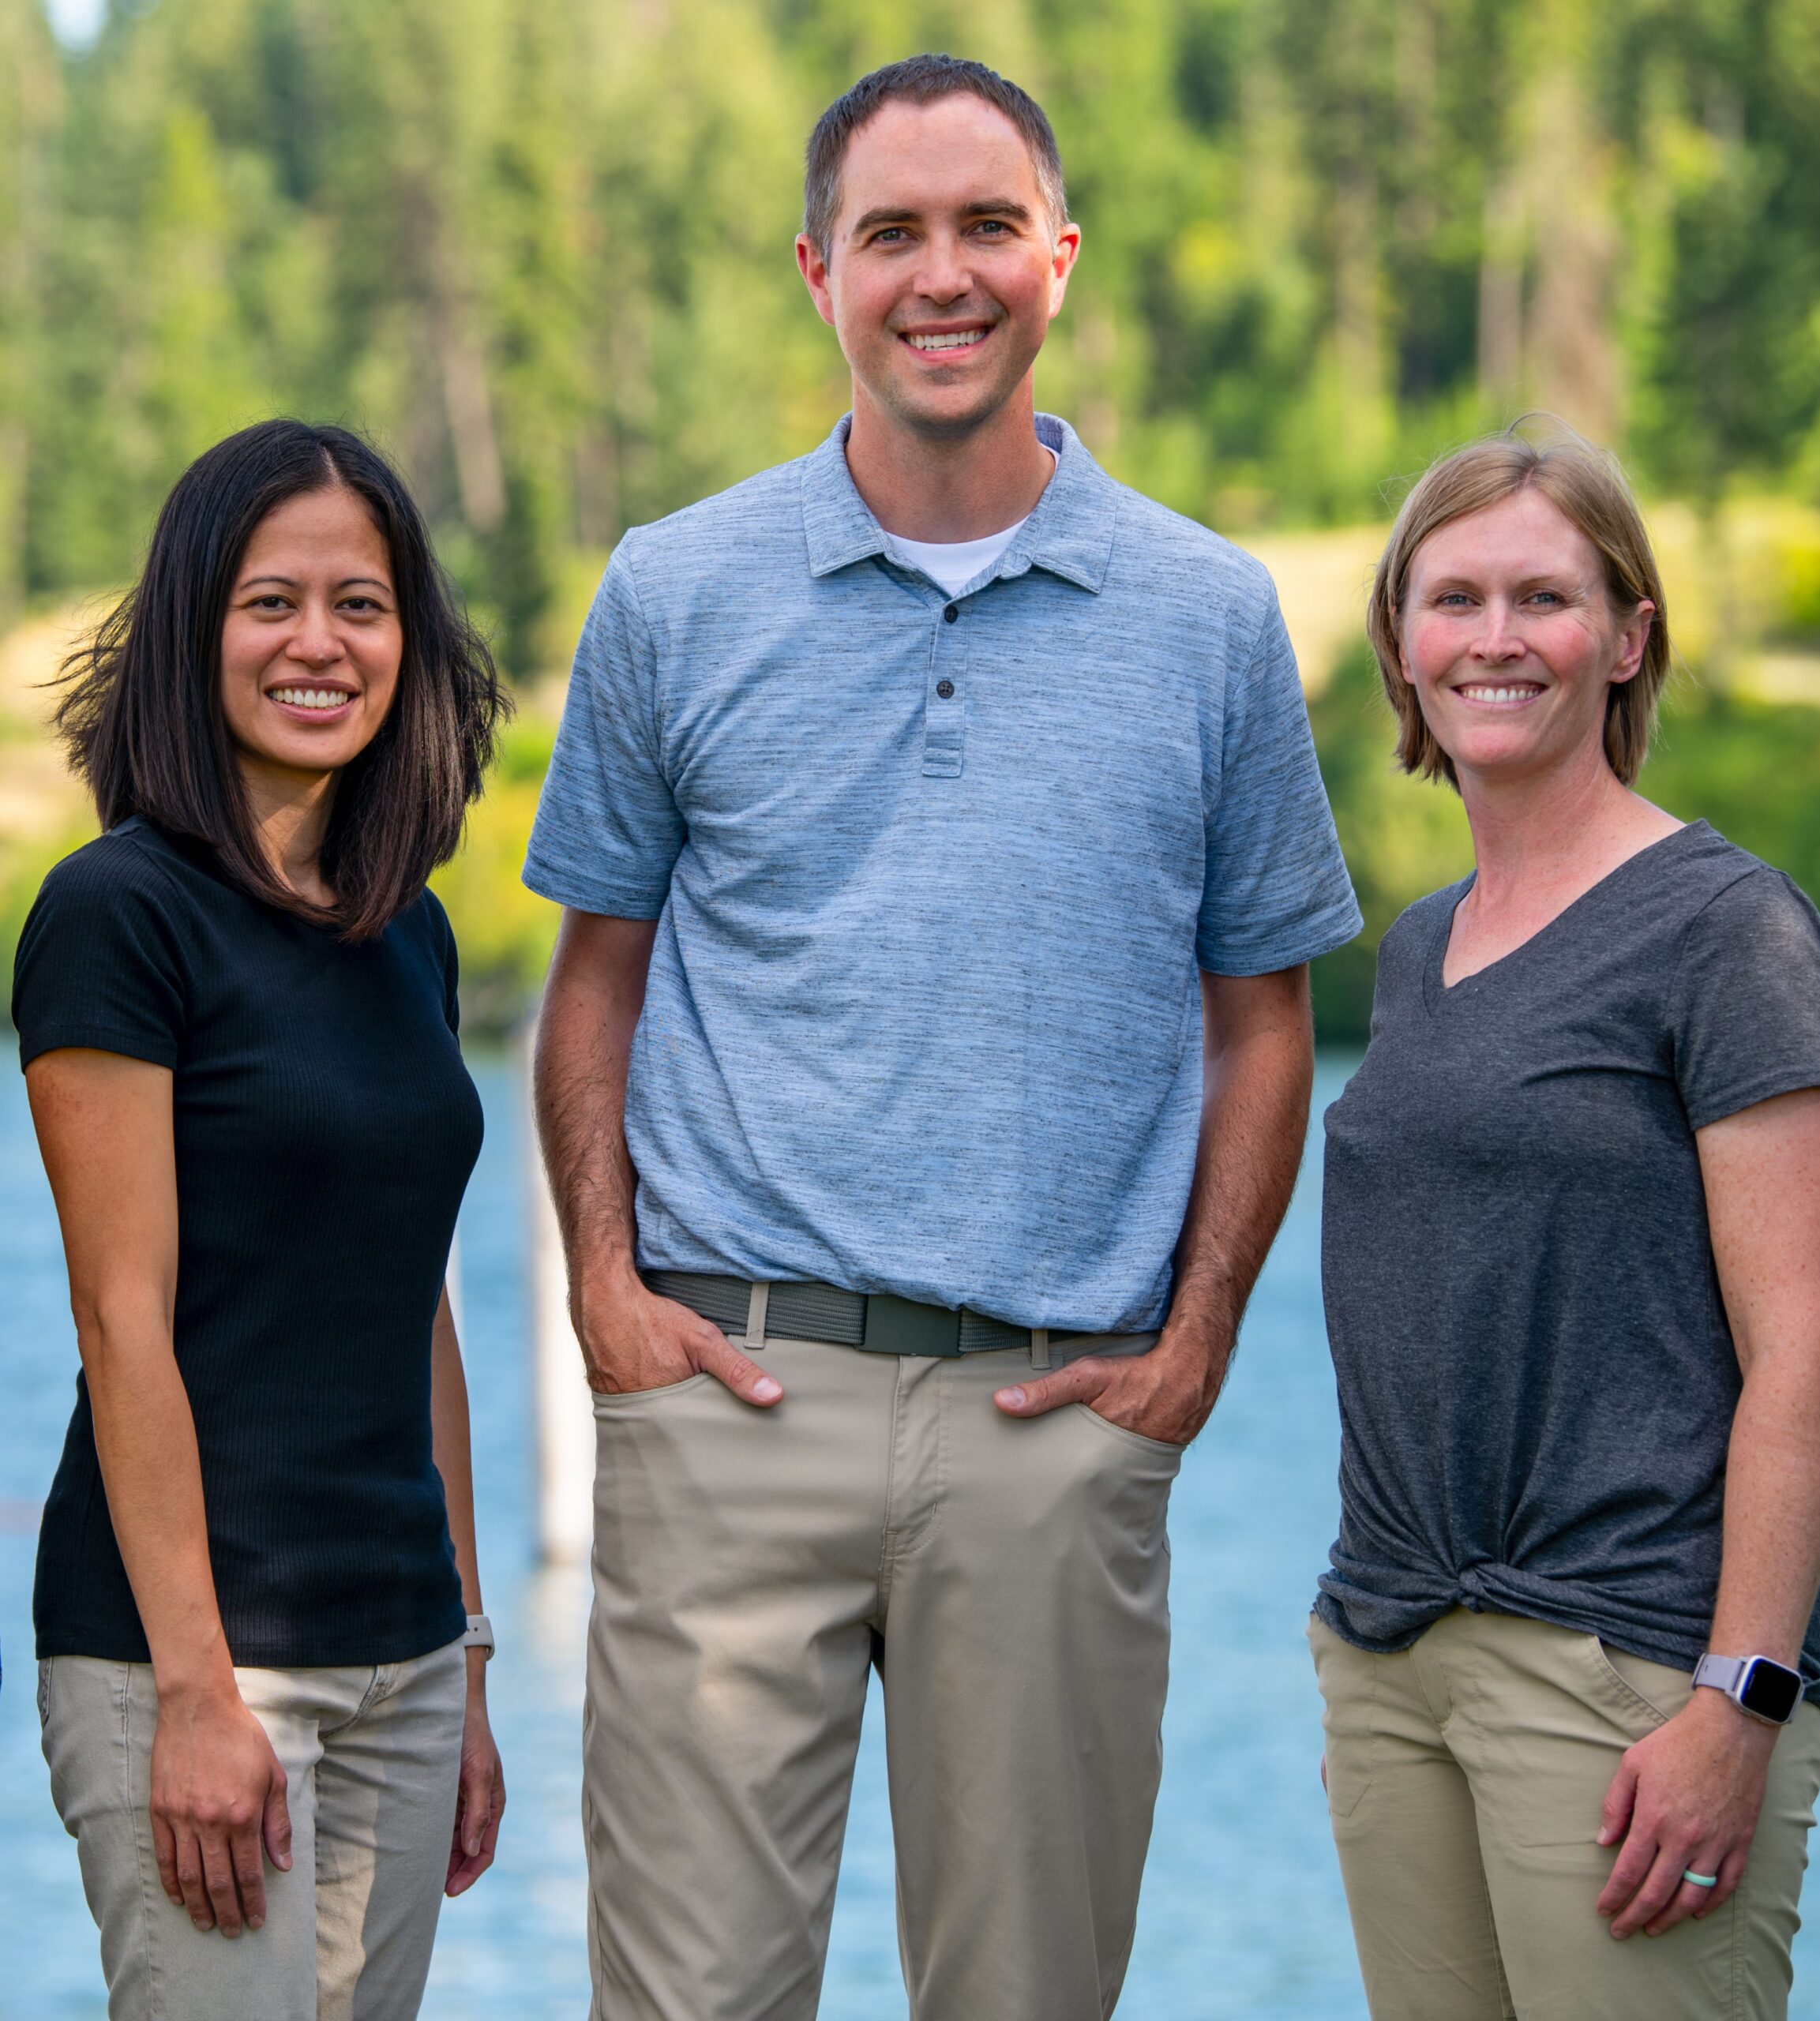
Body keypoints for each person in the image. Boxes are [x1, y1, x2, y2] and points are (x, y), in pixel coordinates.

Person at [523, 51, 1360, 2021]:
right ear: (818, 270)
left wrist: (1195, 1346)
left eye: (986, 225)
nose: (941, 272)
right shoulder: (671, 590)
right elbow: (595, 983)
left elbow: (1267, 1025)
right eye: (890, 232)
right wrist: (603, 1302)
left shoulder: (1211, 618)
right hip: (730, 1395)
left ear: (1058, 258)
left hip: (1053, 1426)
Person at [1309, 426, 1820, 2020]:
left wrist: (1737, 1698)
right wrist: (1358, 1647)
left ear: (1627, 636)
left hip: (1632, 1675)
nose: (1493, 638)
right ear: (1400, 644)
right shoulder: (1418, 950)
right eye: (1453, 597)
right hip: (1394, 1651)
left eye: (1543, 597)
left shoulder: (1729, 931)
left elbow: (1805, 1351)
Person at [14, 419, 510, 2021]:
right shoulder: (117, 914)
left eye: (360, 604)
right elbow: (120, 1319)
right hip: (203, 1652)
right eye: (269, 600)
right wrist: (196, 1689)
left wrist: (473, 1650)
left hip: (406, 1653)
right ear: (191, 633)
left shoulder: (410, 932)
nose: (319, 642)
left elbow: (412, 1301)